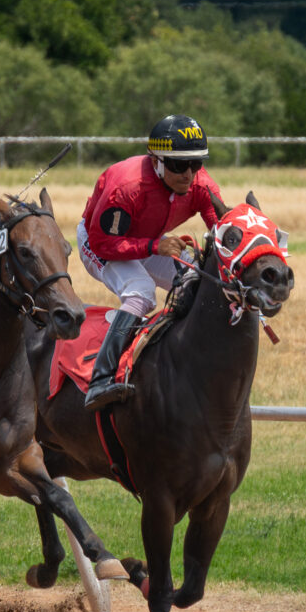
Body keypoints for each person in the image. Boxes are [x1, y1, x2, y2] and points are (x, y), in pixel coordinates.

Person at [78, 113, 222, 411]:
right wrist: (155, 245)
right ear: (156, 160)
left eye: (196, 164)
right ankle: (100, 381)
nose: (189, 174)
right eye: (179, 165)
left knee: (196, 282)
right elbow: (103, 243)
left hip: (147, 240)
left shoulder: (200, 184)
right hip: (100, 242)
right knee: (141, 291)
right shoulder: (127, 186)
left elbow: (220, 230)